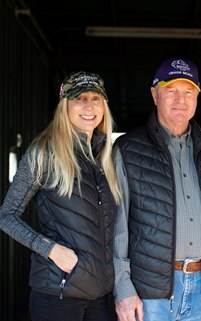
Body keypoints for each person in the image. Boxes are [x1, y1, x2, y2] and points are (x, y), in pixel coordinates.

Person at [0, 71, 121, 321]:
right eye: (79, 99)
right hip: (58, 294)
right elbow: (6, 216)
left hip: (101, 295)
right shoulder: (44, 154)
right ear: (65, 106)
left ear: (104, 106)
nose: (89, 106)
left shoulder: (106, 158)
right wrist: (50, 249)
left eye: (95, 99)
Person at [113, 58, 201, 321]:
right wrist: (123, 287)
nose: (180, 99)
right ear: (154, 94)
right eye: (171, 90)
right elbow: (117, 226)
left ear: (197, 96)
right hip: (149, 291)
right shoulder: (128, 149)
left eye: (188, 91)